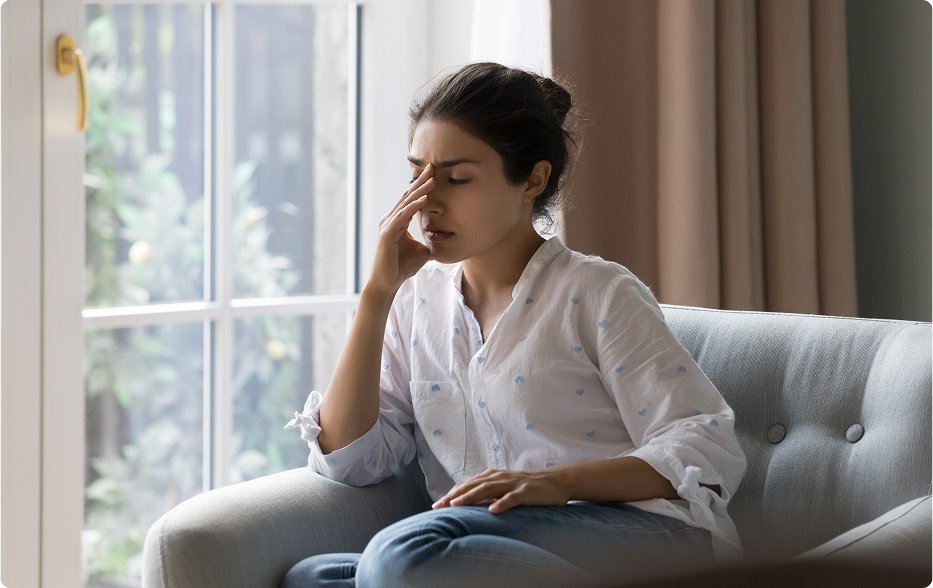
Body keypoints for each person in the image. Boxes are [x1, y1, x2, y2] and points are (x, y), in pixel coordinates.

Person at [283, 62, 746, 588]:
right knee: (311, 577)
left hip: (644, 534)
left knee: (400, 556)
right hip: (492, 545)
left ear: (533, 179)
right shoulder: (415, 304)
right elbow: (352, 461)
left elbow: (704, 448)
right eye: (417, 176)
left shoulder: (597, 293)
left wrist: (552, 483)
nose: (427, 203)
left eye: (456, 179)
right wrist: (376, 295)